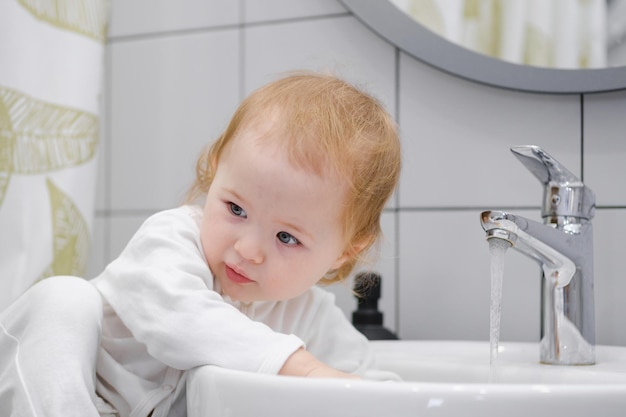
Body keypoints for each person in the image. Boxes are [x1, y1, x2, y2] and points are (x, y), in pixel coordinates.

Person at [0, 72, 401, 417]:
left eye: (286, 237)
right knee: (64, 296)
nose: (247, 249)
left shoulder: (310, 316)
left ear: (345, 250)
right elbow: (180, 319)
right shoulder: (171, 240)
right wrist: (300, 368)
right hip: (64, 396)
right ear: (215, 170)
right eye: (236, 208)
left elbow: (372, 387)